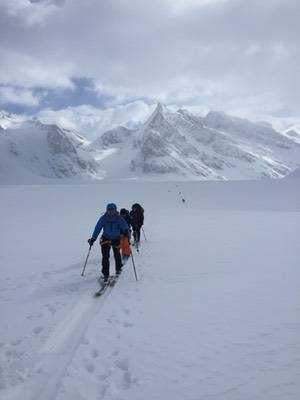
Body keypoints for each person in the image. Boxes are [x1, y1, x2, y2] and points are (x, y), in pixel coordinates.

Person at [88, 203, 129, 281]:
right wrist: (93, 238)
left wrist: (126, 232)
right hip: (105, 239)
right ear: (107, 210)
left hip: (116, 239)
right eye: (109, 210)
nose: (110, 211)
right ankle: (105, 274)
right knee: (105, 257)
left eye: (112, 210)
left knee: (117, 254)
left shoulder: (119, 218)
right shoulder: (103, 218)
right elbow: (97, 228)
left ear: (115, 209)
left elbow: (125, 226)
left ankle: (118, 269)